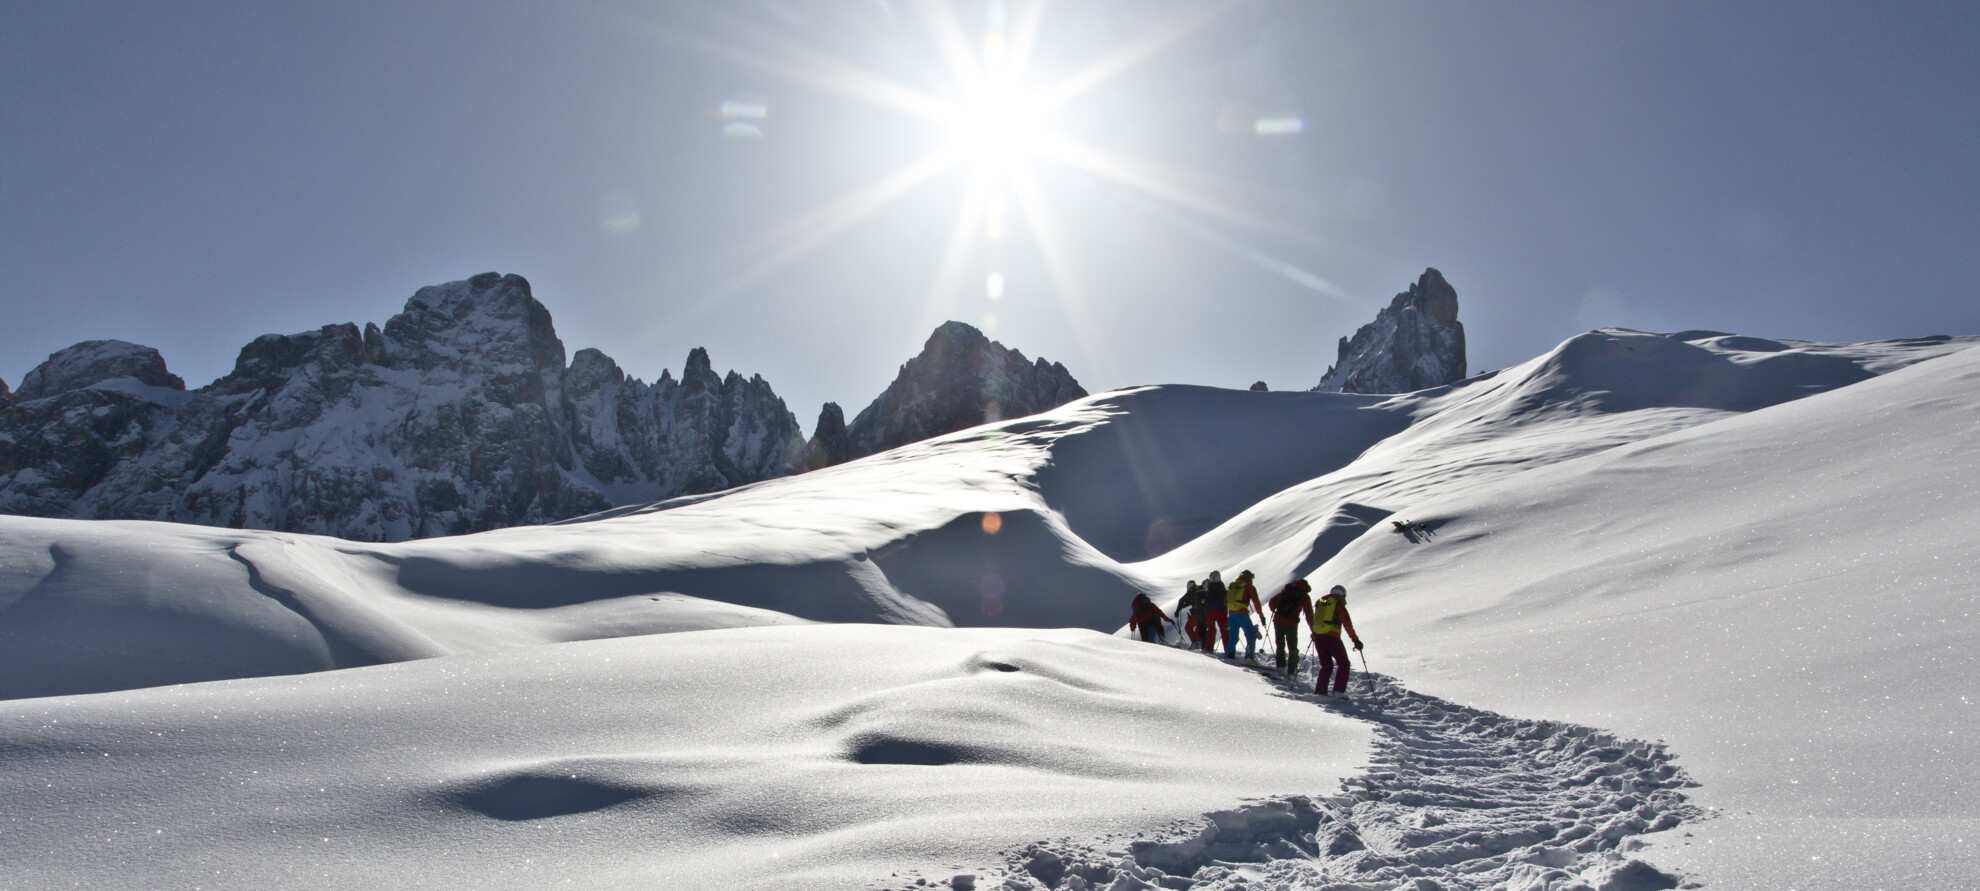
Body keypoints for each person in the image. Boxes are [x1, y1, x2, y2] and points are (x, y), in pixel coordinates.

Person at [1311, 584, 1364, 698]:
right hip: (1332, 638)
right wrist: (1355, 640)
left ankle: (1320, 691)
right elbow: (1347, 624)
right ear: (1343, 595)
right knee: (1344, 664)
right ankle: (1339, 691)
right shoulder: (1338, 604)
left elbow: (1315, 620)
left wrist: (1315, 632)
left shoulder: (1321, 603)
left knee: (1326, 666)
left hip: (1318, 638)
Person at [1267, 579, 1314, 675]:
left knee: (1280, 645)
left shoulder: (1286, 590)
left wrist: (1275, 610)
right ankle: (1292, 671)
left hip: (1278, 620)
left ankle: (1281, 667)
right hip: (1291, 623)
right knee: (1292, 648)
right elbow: (1309, 615)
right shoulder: (1304, 596)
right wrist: (1313, 630)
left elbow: (1272, 602)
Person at [1223, 569, 1266, 661]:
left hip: (1231, 615)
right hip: (1242, 614)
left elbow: (1225, 601)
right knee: (1251, 635)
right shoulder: (1249, 586)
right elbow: (1256, 602)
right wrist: (1261, 616)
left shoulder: (1233, 585)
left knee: (1233, 638)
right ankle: (1249, 657)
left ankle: (1229, 656)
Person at [1201, 571, 1229, 655]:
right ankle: (1228, 648)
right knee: (1224, 629)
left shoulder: (1208, 587)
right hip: (1221, 611)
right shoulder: (1221, 587)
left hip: (1209, 611)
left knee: (1211, 629)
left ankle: (1209, 647)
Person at [1177, 580, 1206, 649]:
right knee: (1200, 628)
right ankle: (1201, 643)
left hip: (1197, 613)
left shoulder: (1193, 591)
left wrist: (1179, 609)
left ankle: (1197, 643)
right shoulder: (1199, 590)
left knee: (1189, 627)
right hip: (1205, 612)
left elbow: (1183, 600)